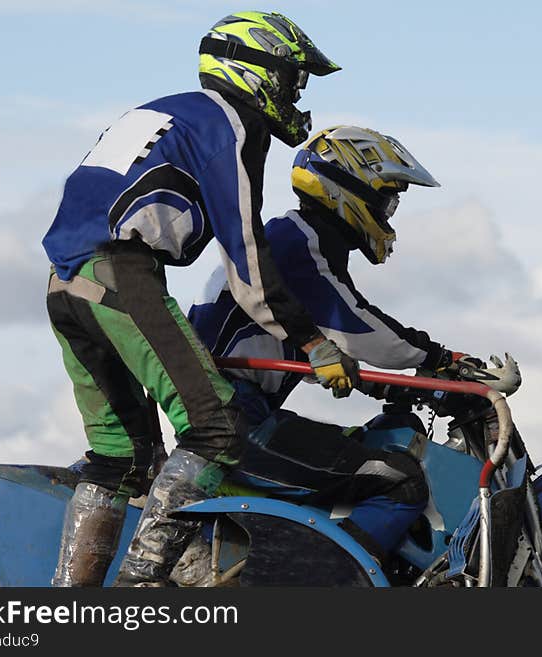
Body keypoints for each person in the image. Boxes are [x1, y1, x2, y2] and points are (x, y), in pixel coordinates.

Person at [42, 11, 351, 587]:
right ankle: (143, 589)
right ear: (253, 70)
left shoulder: (165, 110)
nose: (297, 93)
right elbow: (246, 251)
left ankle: (73, 606)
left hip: (64, 287)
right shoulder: (228, 125)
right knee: (218, 426)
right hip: (120, 276)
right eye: (293, 78)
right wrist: (309, 339)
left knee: (120, 458)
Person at [188, 125, 493, 565]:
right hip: (236, 419)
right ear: (347, 187)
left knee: (386, 437)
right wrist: (445, 360)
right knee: (398, 481)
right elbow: (357, 327)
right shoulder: (299, 243)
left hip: (240, 411)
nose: (389, 213)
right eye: (387, 199)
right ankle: (329, 577)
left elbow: (334, 343)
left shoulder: (301, 240)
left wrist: (398, 387)